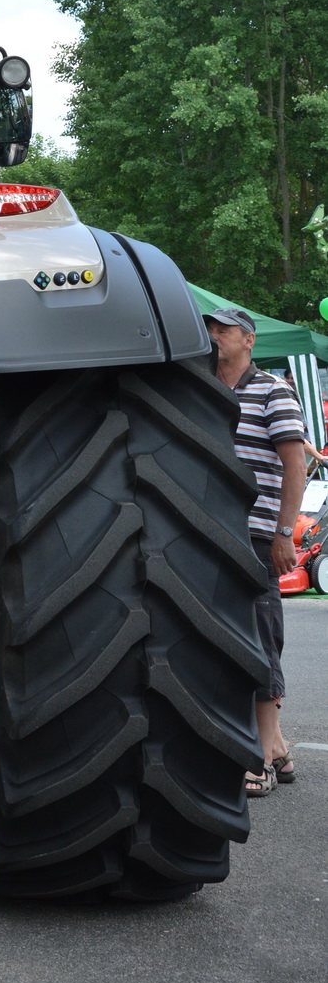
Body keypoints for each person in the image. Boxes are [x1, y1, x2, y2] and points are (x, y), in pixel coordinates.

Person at [204, 307, 302, 794]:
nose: (214, 337)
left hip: (259, 532)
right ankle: (277, 745)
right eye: (210, 330)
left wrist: (285, 531)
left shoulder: (272, 390)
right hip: (212, 531)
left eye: (224, 330)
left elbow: (295, 465)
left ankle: (262, 754)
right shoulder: (205, 390)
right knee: (230, 637)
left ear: (249, 340)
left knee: (260, 635)